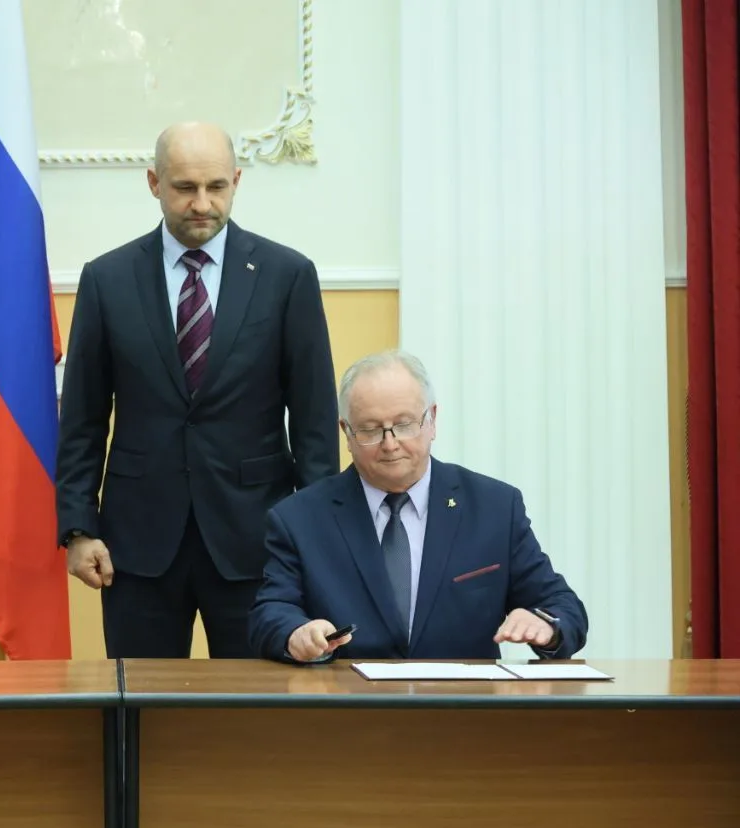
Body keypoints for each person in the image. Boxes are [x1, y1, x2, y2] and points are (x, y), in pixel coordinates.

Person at [56, 121, 339, 658]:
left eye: (217, 187)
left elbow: (314, 424)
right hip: (137, 546)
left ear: (236, 180)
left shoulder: (287, 276)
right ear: (154, 183)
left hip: (257, 542)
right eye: (185, 187)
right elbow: (82, 419)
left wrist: (316, 536)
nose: (202, 204)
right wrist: (77, 528)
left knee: (258, 698)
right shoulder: (107, 279)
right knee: (143, 700)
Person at [249, 349, 588, 663]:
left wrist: (546, 626)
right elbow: (270, 612)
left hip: (462, 701)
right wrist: (296, 633)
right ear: (346, 433)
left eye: (404, 425)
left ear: (432, 420)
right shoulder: (300, 518)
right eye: (370, 430)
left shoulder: (494, 508)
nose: (390, 444)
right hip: (349, 700)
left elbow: (562, 607)